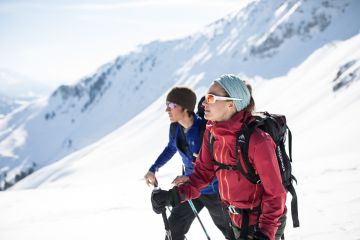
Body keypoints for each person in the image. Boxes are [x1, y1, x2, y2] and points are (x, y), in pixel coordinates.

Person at [151, 75, 287, 240]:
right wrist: (173, 196)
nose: (203, 103)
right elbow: (202, 174)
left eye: (210, 98)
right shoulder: (212, 133)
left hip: (264, 224)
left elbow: (275, 194)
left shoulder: (257, 140)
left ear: (231, 104)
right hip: (236, 221)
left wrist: (264, 234)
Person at [145, 86, 231, 240]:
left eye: (171, 106)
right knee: (173, 229)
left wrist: (190, 177)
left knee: (232, 233)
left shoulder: (205, 128)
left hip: (214, 191)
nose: (167, 110)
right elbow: (171, 148)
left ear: (185, 107)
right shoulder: (175, 129)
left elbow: (216, 163)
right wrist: (153, 169)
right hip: (190, 190)